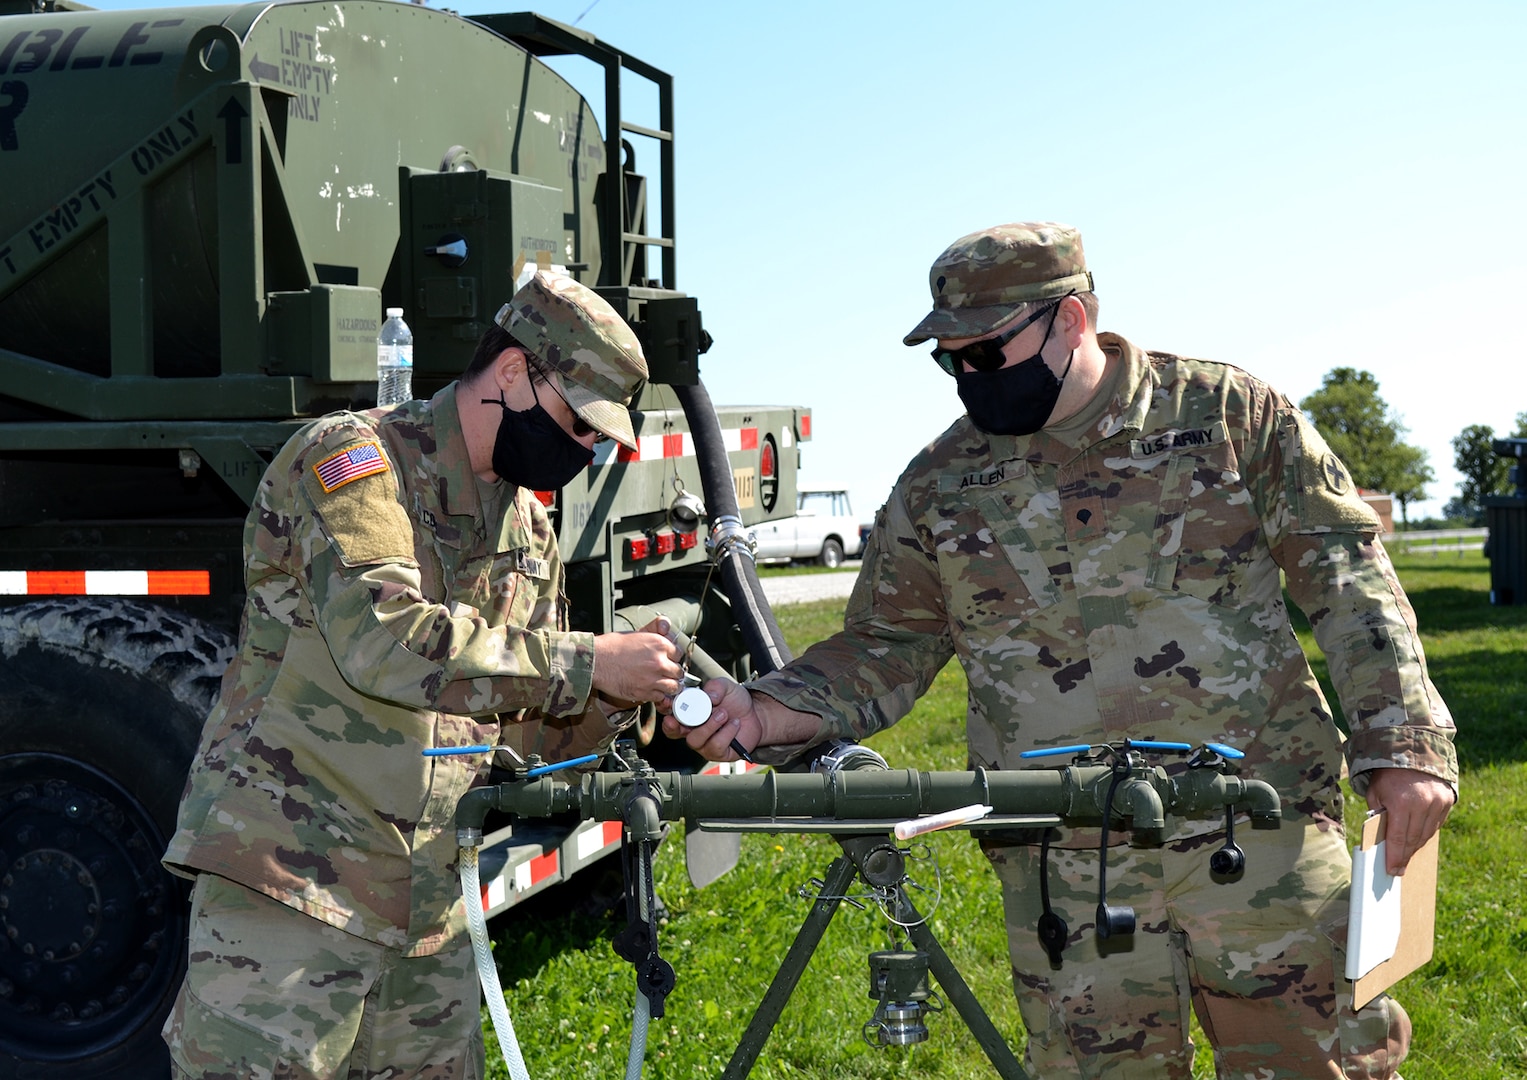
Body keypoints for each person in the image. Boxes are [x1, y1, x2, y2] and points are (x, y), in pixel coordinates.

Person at [664, 223, 1457, 1079]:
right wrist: (771, 706)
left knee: (1316, 1065)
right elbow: (886, 642)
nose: (969, 377)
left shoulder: (1224, 417)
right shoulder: (940, 483)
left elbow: (1347, 581)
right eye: (950, 360)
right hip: (1063, 859)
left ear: (1071, 319)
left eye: (986, 353)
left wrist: (1404, 743)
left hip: (1253, 829)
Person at [162, 270, 684, 1079]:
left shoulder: (527, 526)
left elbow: (527, 729)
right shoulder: (353, 460)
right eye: (579, 426)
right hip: (294, 888)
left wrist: (629, 698)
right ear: (513, 373)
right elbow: (387, 642)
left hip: (430, 908)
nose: (583, 452)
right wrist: (590, 661)